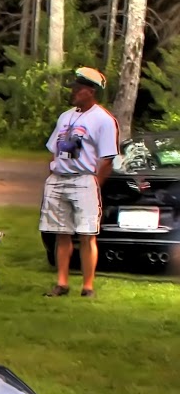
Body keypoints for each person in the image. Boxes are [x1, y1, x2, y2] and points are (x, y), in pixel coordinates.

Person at [41, 66, 119, 298]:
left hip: (84, 180)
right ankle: (62, 283)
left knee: (86, 235)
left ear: (91, 91)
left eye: (78, 88)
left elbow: (107, 160)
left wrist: (95, 185)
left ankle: (88, 287)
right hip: (58, 179)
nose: (73, 91)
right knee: (61, 232)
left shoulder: (104, 120)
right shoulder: (66, 116)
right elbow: (53, 148)